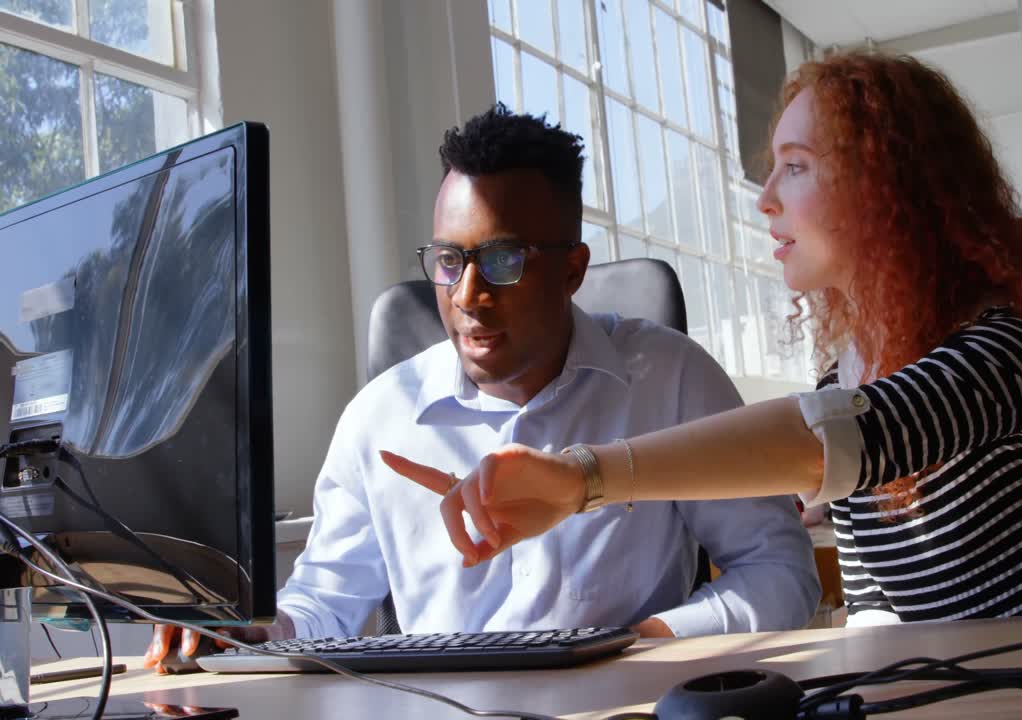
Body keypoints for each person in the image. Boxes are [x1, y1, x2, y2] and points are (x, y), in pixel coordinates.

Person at [387, 52, 1022, 626]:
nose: (764, 199)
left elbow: (837, 438)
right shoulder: (847, 369)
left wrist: (582, 477)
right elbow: (878, 609)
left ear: (891, 187)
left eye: (794, 167)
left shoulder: (1015, 350)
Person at [143, 104, 820, 672]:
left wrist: (642, 643)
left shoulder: (670, 380)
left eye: (503, 260)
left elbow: (780, 574)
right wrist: (247, 633)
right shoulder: (379, 418)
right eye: (449, 260)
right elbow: (325, 605)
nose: (468, 294)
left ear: (573, 270)